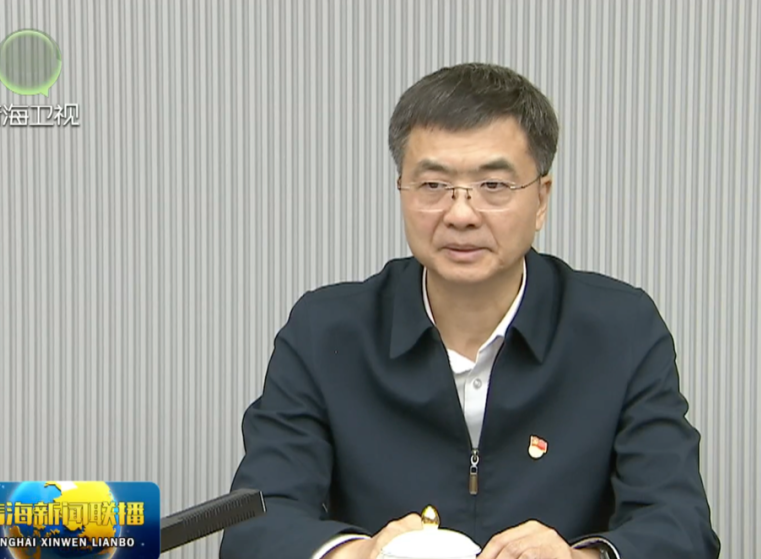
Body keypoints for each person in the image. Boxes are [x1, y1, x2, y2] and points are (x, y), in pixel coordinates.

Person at [219, 62, 721, 559]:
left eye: (494, 186)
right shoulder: (326, 331)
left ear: (541, 200)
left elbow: (680, 525)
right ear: (402, 190)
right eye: (433, 186)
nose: (461, 214)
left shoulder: (620, 329)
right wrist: (359, 555)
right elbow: (253, 524)